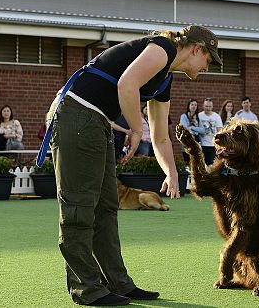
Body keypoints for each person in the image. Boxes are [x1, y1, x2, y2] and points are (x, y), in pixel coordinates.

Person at [38, 25, 222, 306]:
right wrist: (136, 130)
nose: (208, 67)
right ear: (197, 49)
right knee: (79, 206)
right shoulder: (163, 48)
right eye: (209, 60)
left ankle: (117, 283)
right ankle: (87, 289)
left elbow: (160, 136)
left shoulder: (164, 80)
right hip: (76, 114)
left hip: (94, 120)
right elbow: (127, 85)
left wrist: (172, 172)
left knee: (106, 205)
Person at [198, 98, 223, 165]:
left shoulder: (216, 116)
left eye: (209, 106)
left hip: (213, 145)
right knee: (202, 164)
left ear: (212, 107)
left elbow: (219, 131)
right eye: (206, 106)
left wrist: (219, 144)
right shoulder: (199, 116)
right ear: (203, 106)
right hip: (201, 145)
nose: (208, 108)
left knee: (212, 165)